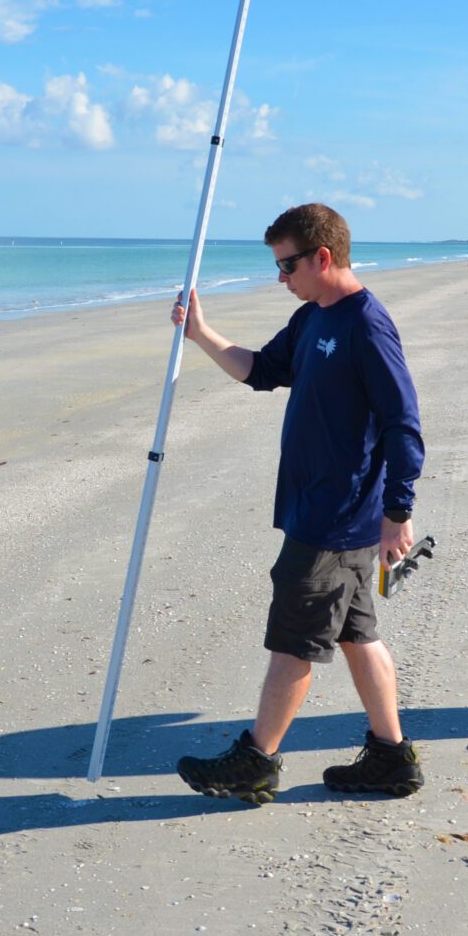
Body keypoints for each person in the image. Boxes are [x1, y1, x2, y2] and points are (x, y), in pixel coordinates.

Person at [170, 203, 427, 802]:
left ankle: (256, 762)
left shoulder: (366, 325)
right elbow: (261, 370)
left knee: (294, 639)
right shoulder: (314, 317)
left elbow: (403, 424)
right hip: (323, 510)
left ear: (322, 256)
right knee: (357, 634)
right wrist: (200, 334)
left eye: (287, 266)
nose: (281, 278)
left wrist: (399, 510)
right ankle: (391, 758)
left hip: (336, 519)